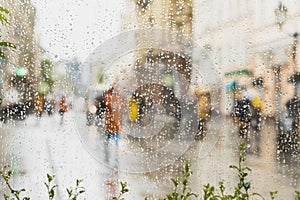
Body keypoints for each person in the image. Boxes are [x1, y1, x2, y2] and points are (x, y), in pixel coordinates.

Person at [103, 86, 124, 168]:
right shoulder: (110, 96)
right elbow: (108, 105)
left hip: (115, 126)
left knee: (115, 143)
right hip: (111, 125)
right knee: (109, 142)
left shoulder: (116, 97)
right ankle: (109, 157)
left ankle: (114, 159)